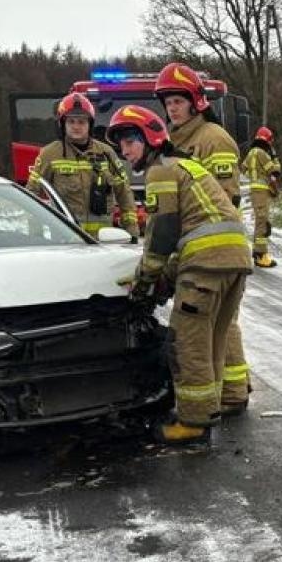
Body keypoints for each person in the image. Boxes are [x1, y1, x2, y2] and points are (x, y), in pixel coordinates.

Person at [107, 103, 251, 446]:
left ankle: (194, 422)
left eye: (130, 141)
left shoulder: (160, 172)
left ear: (150, 137)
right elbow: (189, 236)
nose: (124, 152)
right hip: (233, 260)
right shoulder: (185, 165)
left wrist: (144, 282)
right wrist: (167, 278)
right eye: (121, 145)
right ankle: (215, 404)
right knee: (214, 337)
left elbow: (162, 235)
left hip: (206, 263)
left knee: (187, 341)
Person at [154, 61, 252, 415]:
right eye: (167, 103)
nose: (172, 108)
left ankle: (231, 394)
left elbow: (227, 199)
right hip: (195, 245)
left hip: (213, 248)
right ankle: (229, 392)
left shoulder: (213, 139)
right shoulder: (176, 139)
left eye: (178, 101)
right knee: (216, 325)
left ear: (196, 102)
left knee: (220, 325)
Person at [26, 92, 139, 240]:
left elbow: (124, 193)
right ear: (62, 124)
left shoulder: (107, 153)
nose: (76, 127)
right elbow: (31, 197)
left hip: (103, 241)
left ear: (90, 124)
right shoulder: (50, 154)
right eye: (71, 122)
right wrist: (35, 237)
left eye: (81, 122)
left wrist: (132, 233)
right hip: (66, 240)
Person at [240, 126, 282, 268]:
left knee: (261, 220)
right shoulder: (261, 153)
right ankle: (260, 255)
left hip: (256, 190)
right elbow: (274, 170)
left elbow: (243, 168)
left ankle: (259, 253)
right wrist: (275, 158)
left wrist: (254, 177)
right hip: (261, 190)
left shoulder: (252, 152)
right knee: (262, 222)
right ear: (267, 140)